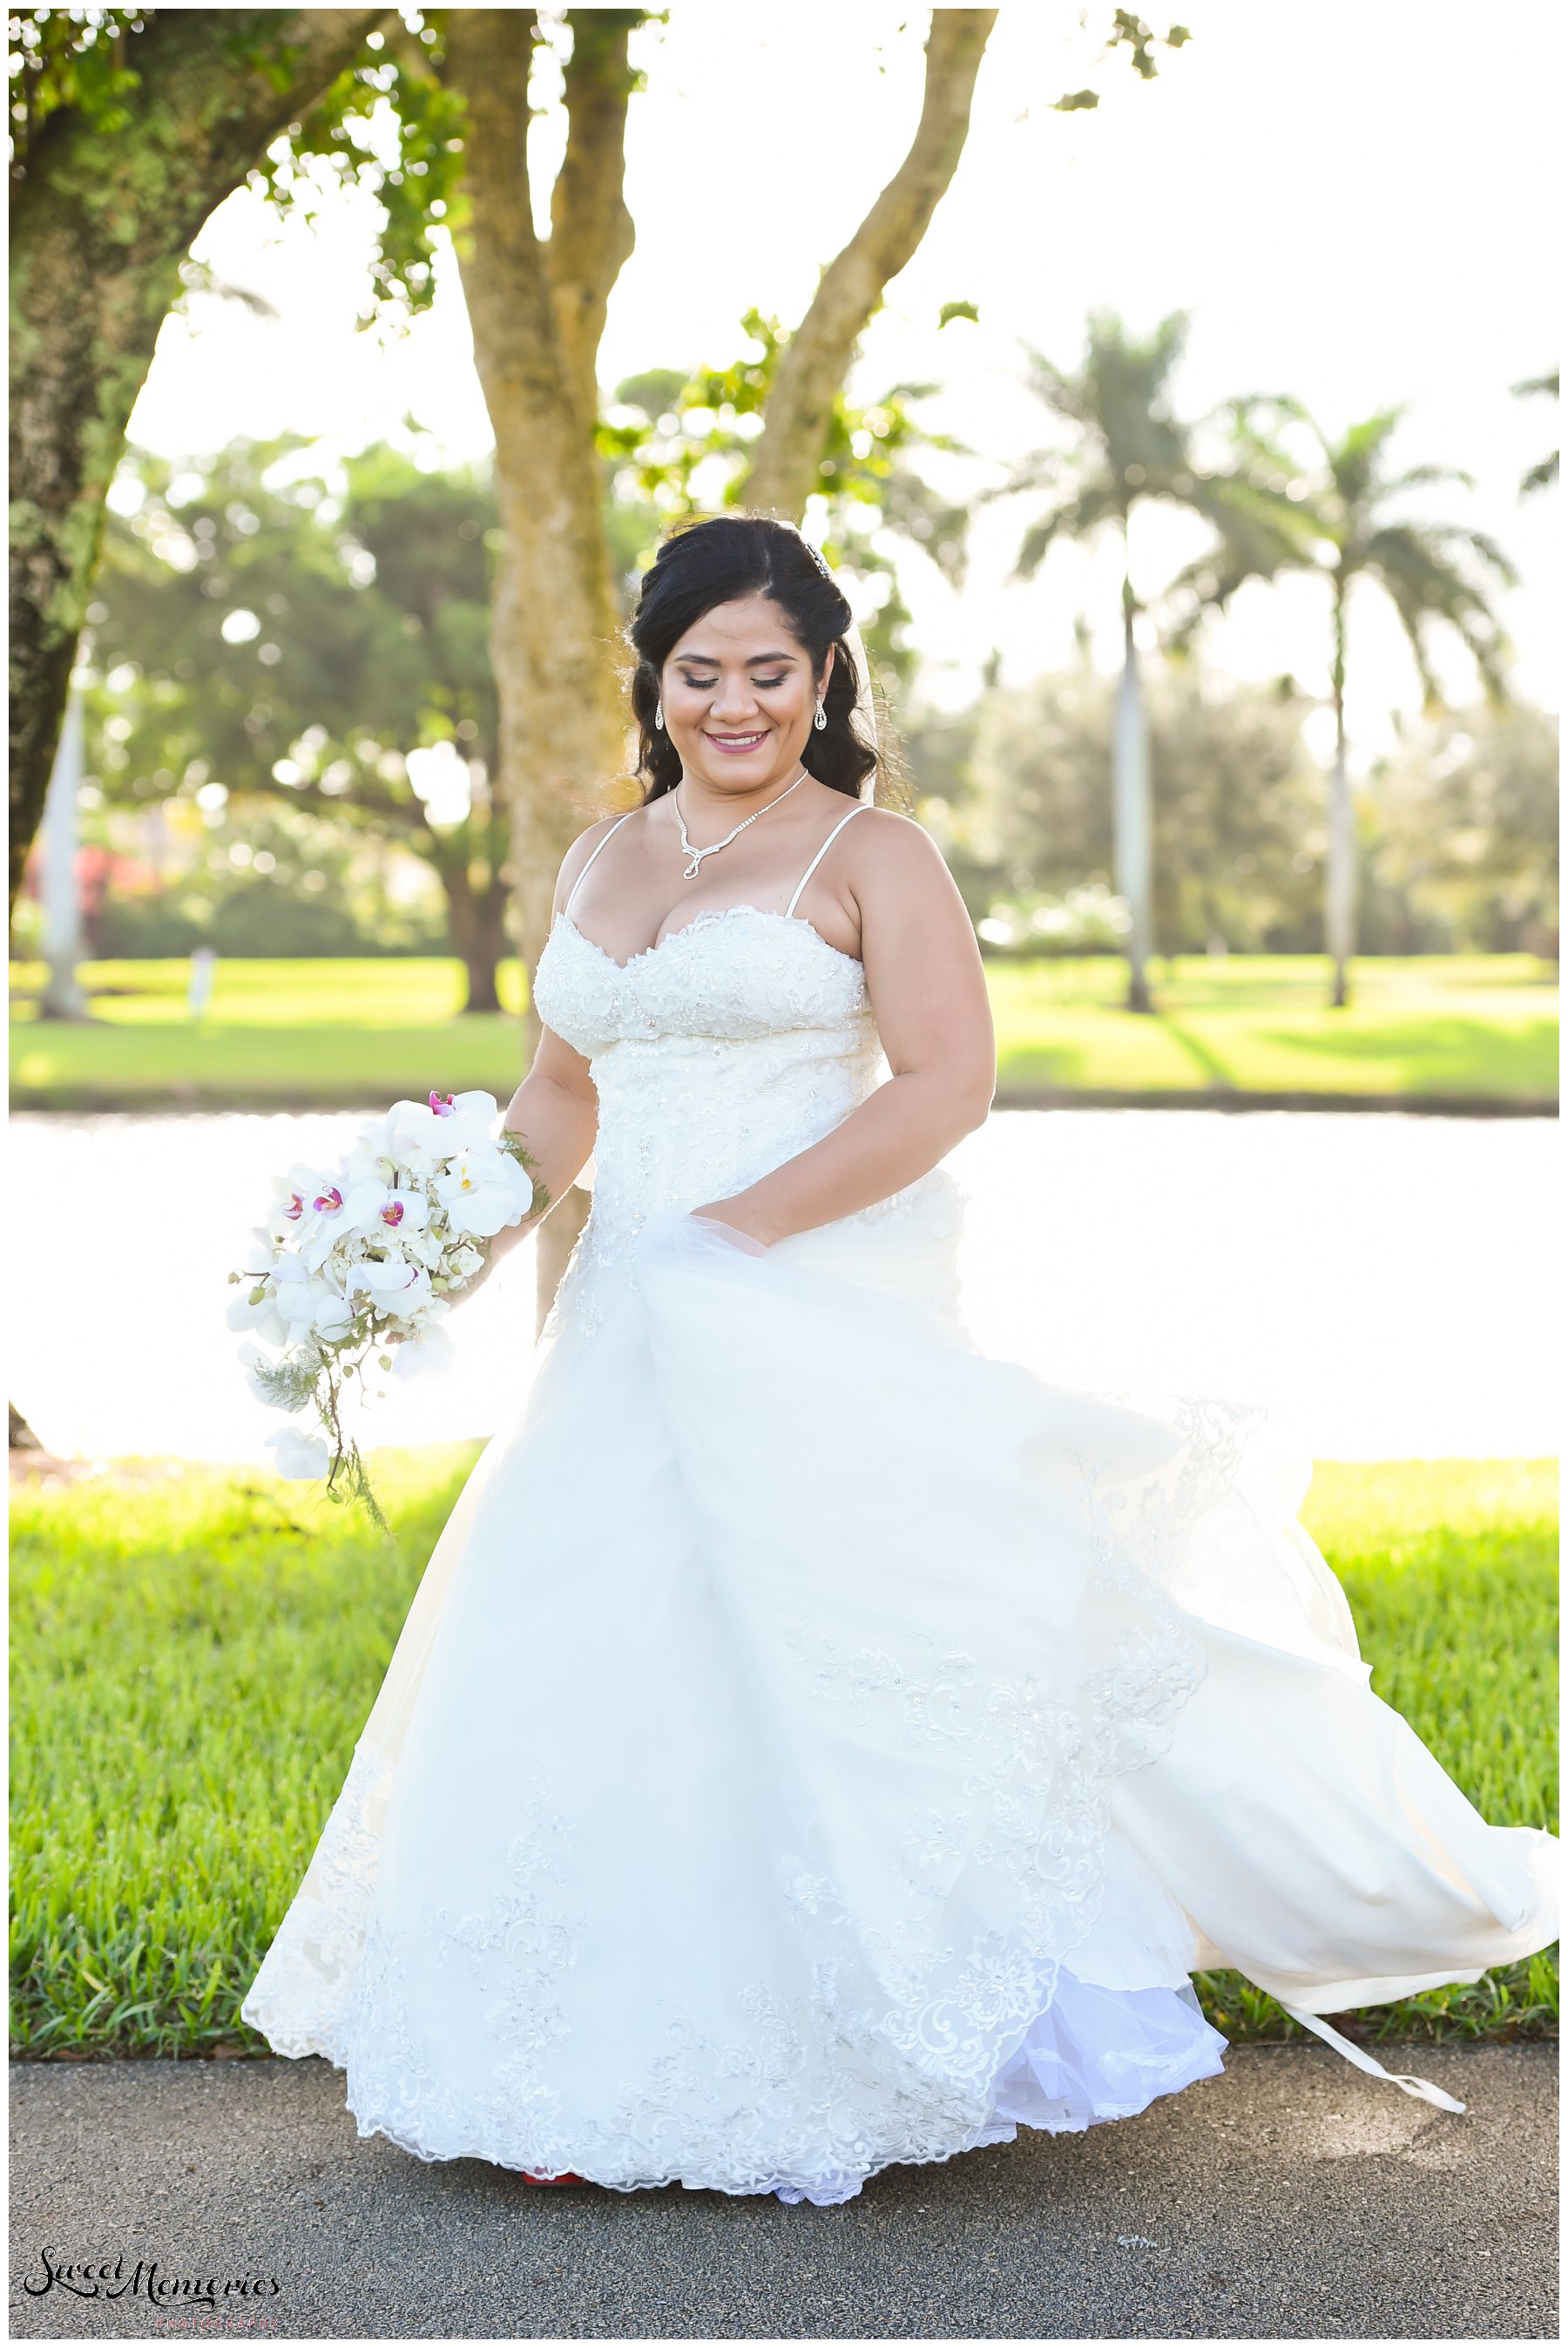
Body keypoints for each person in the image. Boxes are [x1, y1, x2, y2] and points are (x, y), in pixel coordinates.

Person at [241, 513, 1557, 2206]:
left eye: (768, 673)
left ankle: (877, 2039)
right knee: (596, 1657)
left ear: (821, 676)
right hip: (622, 1327)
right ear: (656, 677)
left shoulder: (873, 854)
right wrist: (429, 1243)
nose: (733, 704)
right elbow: (561, 1099)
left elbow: (945, 1083)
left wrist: (738, 1231)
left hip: (797, 1300)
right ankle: (569, 2062)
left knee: (861, 1659)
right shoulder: (599, 859)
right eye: (700, 671)